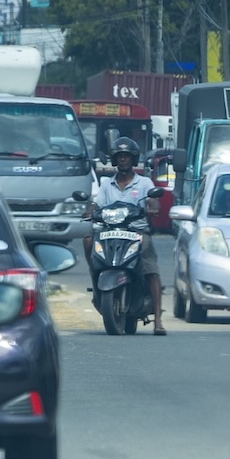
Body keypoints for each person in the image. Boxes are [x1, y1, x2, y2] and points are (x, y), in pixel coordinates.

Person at [89, 137, 166, 335]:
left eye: (126, 156)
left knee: (150, 267)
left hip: (136, 232)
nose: (123, 159)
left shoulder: (144, 182)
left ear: (133, 159)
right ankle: (96, 278)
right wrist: (90, 210)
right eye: (119, 156)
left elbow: (153, 200)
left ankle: (158, 320)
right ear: (114, 160)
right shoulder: (107, 184)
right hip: (109, 232)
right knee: (89, 241)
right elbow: (96, 204)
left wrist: (153, 207)